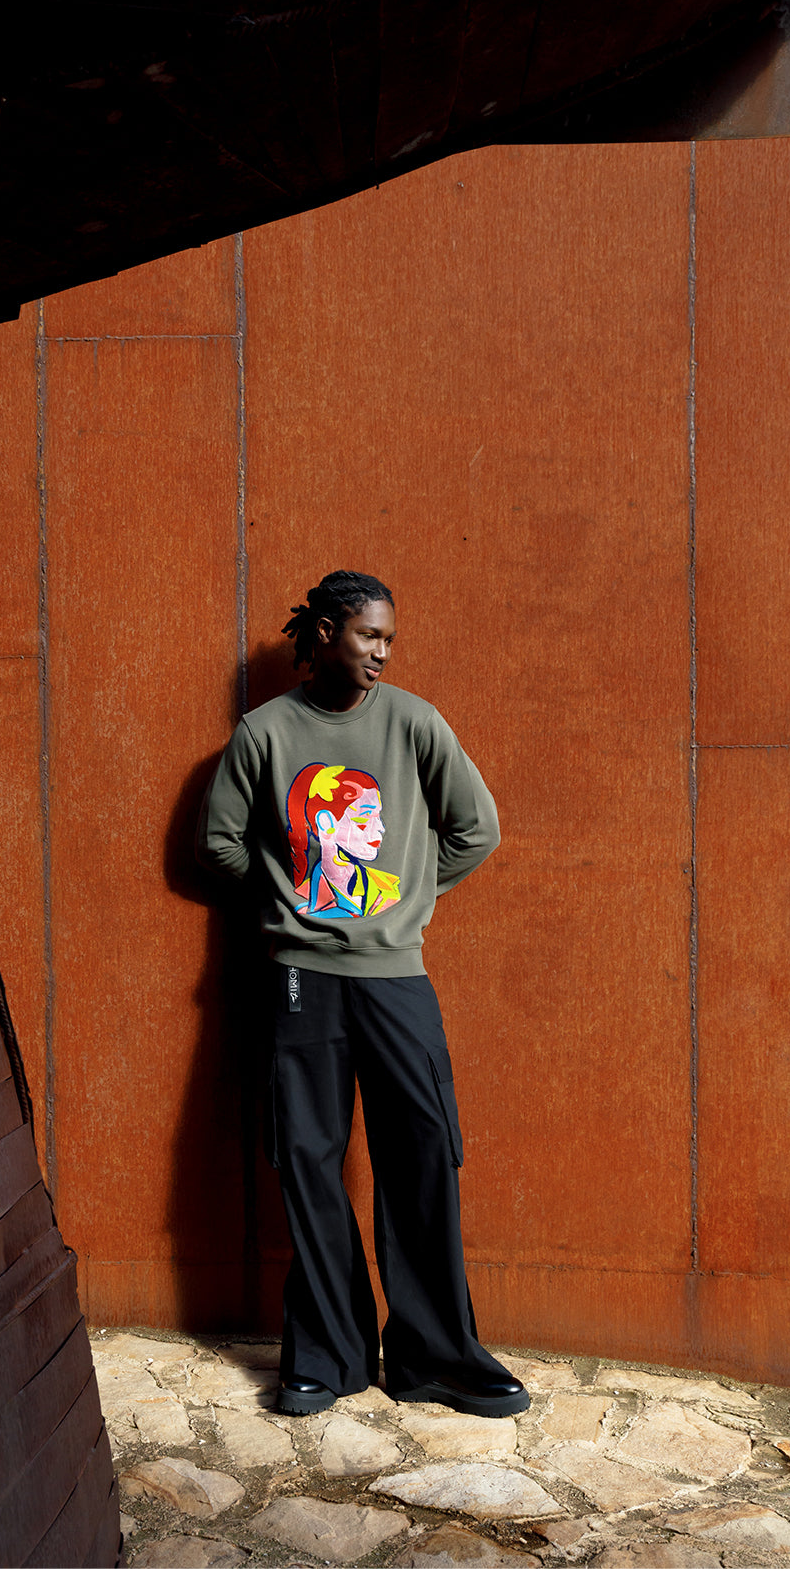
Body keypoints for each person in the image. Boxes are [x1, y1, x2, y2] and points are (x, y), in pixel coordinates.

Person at [197, 570, 529, 1419]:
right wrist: (290, 905)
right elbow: (220, 842)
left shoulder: (415, 722)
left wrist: (405, 898)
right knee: (306, 1162)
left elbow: (475, 828)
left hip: (395, 981)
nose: (381, 652)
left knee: (421, 1156)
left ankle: (434, 1357)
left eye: (388, 638)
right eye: (366, 636)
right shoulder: (264, 732)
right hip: (301, 979)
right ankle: (326, 1354)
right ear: (321, 635)